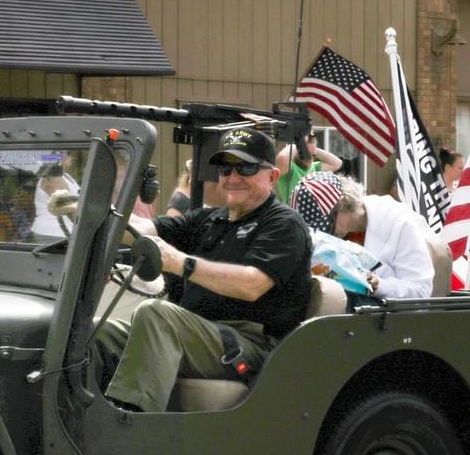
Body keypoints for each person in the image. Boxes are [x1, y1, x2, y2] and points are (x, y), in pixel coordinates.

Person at [96, 127, 313, 413]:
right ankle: (80, 415)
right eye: (225, 169)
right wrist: (94, 211)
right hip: (195, 332)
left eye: (245, 168)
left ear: (272, 176)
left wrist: (180, 262)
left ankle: (130, 427)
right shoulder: (211, 218)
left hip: (248, 345)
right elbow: (146, 228)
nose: (233, 178)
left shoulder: (283, 224)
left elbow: (251, 285)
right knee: (97, 330)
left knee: (155, 313)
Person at [289, 172, 434, 299]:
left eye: (327, 223)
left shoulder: (400, 223)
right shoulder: (333, 237)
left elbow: (421, 290)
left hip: (391, 321)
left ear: (344, 203)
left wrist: (379, 285)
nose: (326, 233)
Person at [275, 130, 342, 202]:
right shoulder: (290, 168)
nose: (308, 158)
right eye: (304, 153)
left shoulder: (314, 168)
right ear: (296, 151)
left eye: (312, 155)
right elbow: (282, 158)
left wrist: (313, 148)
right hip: (292, 212)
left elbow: (337, 163)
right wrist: (299, 143)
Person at [31, 154, 80, 240]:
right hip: (53, 233)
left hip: (64, 232)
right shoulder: (52, 177)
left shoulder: (66, 176)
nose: (71, 156)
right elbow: (68, 206)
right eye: (68, 153)